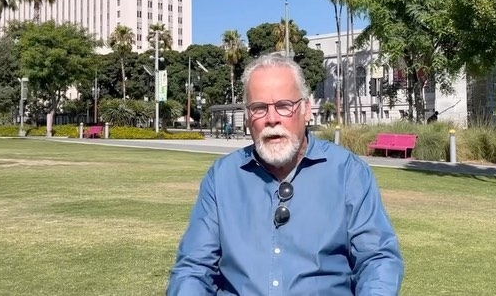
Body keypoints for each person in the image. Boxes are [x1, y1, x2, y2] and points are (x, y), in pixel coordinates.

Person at [167, 53, 404, 295]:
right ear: (248, 117)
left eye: (284, 106)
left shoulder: (348, 173)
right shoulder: (222, 178)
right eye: (259, 108)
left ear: (306, 110)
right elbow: (194, 269)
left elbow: (377, 260)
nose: (272, 119)